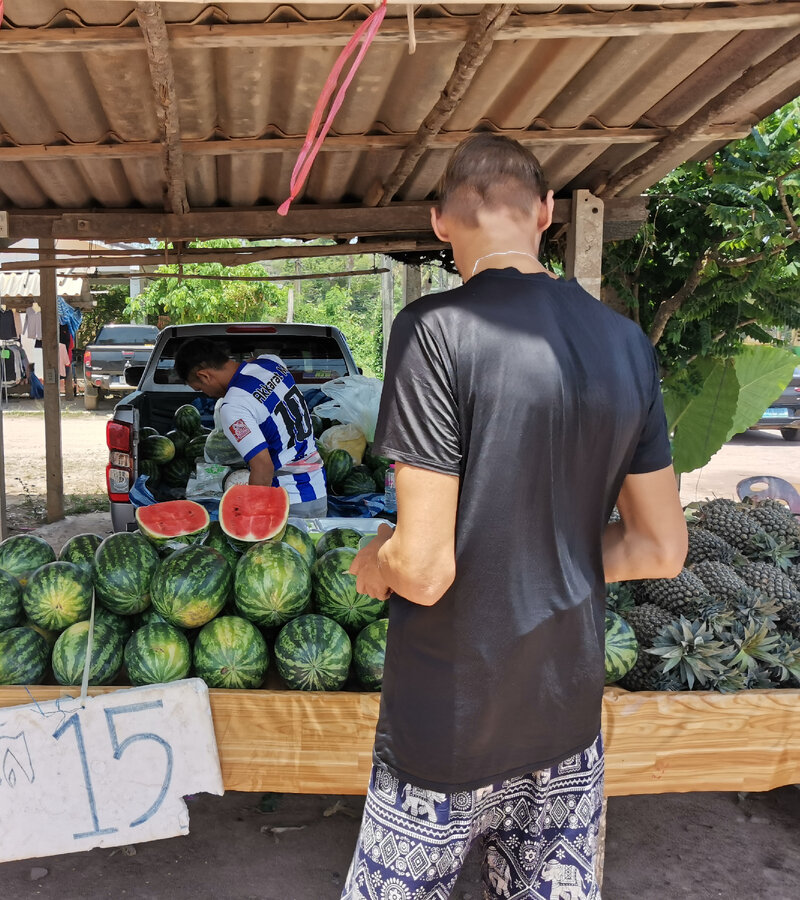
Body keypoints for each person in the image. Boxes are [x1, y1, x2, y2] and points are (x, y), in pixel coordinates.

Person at [342, 134, 687, 900]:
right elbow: (661, 546)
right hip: (566, 720)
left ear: (438, 222)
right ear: (545, 212)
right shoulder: (626, 344)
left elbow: (424, 568)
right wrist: (551, 552)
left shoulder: (433, 330)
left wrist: (374, 563)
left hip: (449, 722)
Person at [175, 339, 327, 517]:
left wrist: (251, 516)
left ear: (205, 376)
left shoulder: (233, 406)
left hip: (286, 502)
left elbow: (263, 468)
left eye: (200, 388)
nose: (206, 394)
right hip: (318, 490)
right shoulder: (272, 363)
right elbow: (251, 362)